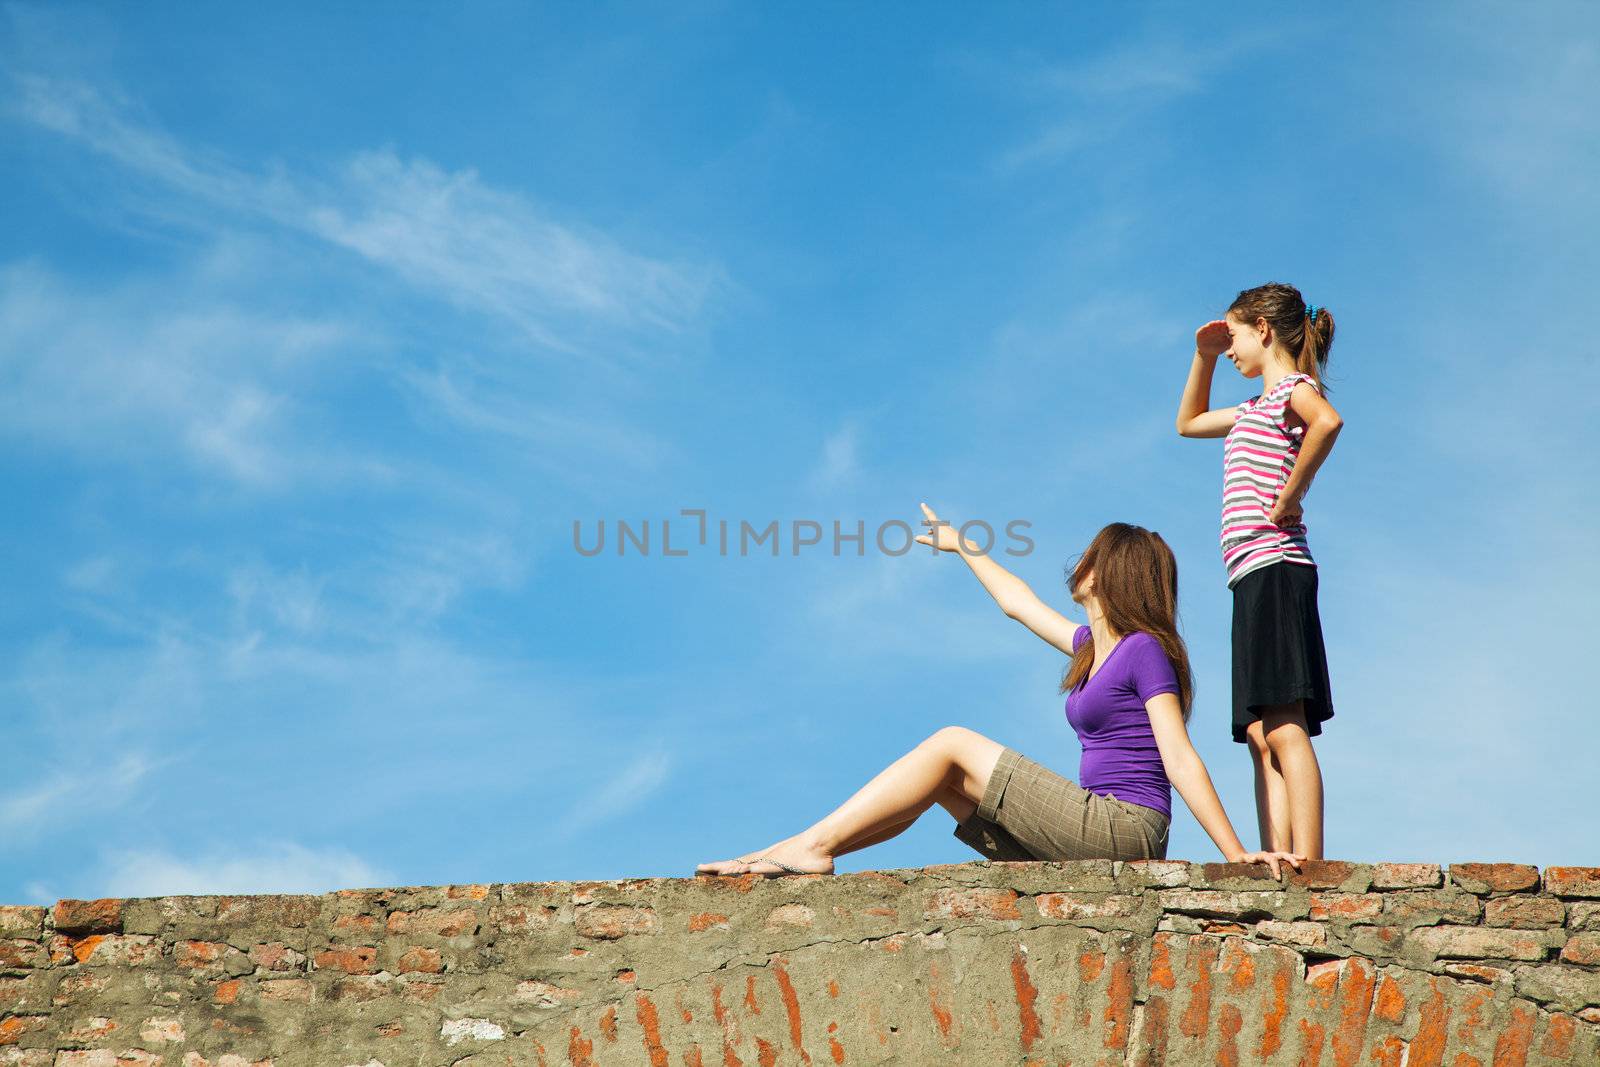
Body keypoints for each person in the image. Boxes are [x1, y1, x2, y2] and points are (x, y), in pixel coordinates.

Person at [695, 507, 1303, 879]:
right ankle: (805, 851)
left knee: (954, 743)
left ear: (1113, 571)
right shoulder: (1092, 649)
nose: (1078, 567)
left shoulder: (1144, 650)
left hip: (1126, 828)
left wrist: (1234, 853)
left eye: (1090, 559)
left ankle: (811, 846)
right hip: (1097, 828)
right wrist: (965, 547)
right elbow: (1019, 605)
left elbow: (1178, 756)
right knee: (949, 783)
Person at [1175, 281, 1343, 860]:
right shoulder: (1252, 407)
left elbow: (1327, 421)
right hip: (1248, 573)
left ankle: (1311, 862)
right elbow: (1188, 422)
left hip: (1276, 565)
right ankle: (1276, 854)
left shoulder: (1294, 389)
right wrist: (1201, 356)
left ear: (1264, 331)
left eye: (1234, 336)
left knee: (1284, 720)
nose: (1229, 349)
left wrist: (1292, 494)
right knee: (1257, 730)